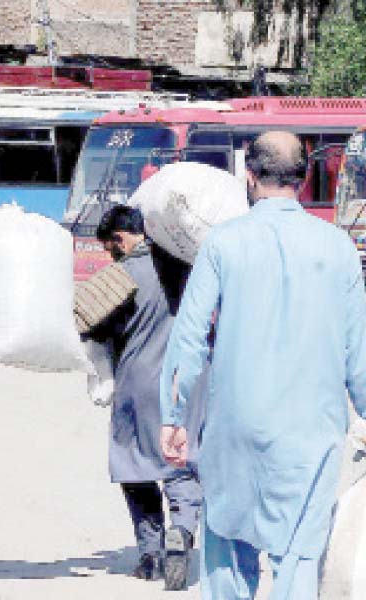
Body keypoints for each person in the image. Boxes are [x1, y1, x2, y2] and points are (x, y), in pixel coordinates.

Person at [159, 130, 366, 600]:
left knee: (227, 552)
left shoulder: (221, 244)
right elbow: (360, 353)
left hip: (235, 426)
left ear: (248, 178)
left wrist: (173, 417)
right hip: (312, 433)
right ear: (307, 175)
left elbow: (188, 337)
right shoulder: (338, 250)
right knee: (297, 557)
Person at [88, 205, 204, 591]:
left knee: (134, 466)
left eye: (110, 247)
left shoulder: (122, 276)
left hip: (138, 382)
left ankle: (151, 552)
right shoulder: (187, 267)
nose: (111, 255)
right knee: (181, 463)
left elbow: (92, 326)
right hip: (187, 382)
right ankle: (183, 531)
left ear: (120, 239)